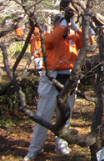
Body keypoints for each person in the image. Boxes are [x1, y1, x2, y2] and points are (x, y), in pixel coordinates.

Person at [24, 14, 83, 160]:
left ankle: (61, 145)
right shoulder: (49, 36)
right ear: (56, 24)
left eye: (68, 24)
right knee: (43, 114)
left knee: (65, 114)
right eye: (63, 23)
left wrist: (76, 27)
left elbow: (89, 41)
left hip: (68, 77)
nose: (66, 27)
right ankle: (35, 149)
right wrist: (62, 26)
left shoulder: (73, 39)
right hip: (51, 77)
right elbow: (49, 40)